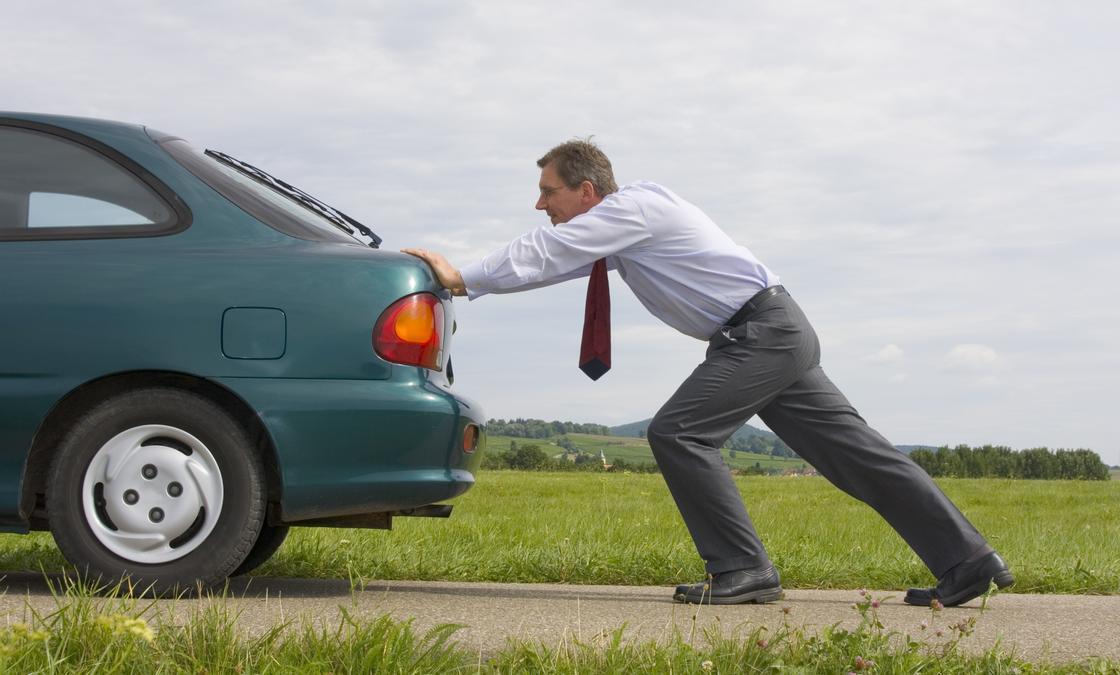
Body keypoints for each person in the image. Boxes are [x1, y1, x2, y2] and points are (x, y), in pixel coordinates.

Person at [402, 138, 1014, 606]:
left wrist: (464, 274)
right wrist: (473, 287)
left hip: (761, 334)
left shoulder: (636, 206)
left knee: (678, 432)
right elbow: (554, 266)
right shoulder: (621, 229)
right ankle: (969, 562)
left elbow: (548, 250)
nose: (541, 205)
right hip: (770, 332)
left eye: (548, 191)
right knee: (858, 456)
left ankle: (743, 570)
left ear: (587, 192)